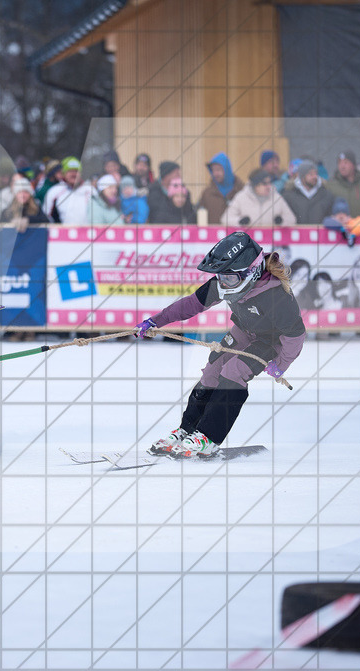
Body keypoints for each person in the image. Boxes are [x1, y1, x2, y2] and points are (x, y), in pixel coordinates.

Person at [132, 232, 305, 457]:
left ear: (250, 273)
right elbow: (191, 304)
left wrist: (281, 364)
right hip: (244, 331)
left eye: (229, 278)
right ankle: (187, 430)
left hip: (271, 341)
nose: (223, 283)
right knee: (212, 369)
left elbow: (296, 335)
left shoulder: (277, 297)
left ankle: (209, 437)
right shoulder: (226, 281)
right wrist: (157, 320)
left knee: (235, 371)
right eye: (220, 277)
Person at [224, 169, 296, 227]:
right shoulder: (241, 197)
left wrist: (282, 221)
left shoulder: (277, 198)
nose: (268, 186)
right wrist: (239, 221)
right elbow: (225, 219)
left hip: (270, 242)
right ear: (255, 185)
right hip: (249, 241)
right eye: (264, 184)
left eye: (269, 182)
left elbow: (291, 219)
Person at [281, 160, 334, 224]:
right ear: (302, 177)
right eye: (310, 174)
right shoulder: (289, 195)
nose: (314, 177)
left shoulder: (326, 195)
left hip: (320, 233)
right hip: (297, 233)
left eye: (316, 173)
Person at [197, 152, 240, 224]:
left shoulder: (241, 191)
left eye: (218, 170)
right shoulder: (207, 193)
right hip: (213, 234)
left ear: (227, 170)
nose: (215, 174)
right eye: (213, 170)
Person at [42, 156, 82, 223]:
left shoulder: (89, 190)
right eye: (70, 171)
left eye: (76, 171)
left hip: (89, 232)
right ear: (63, 173)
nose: (74, 174)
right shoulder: (54, 191)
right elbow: (45, 217)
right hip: (63, 232)